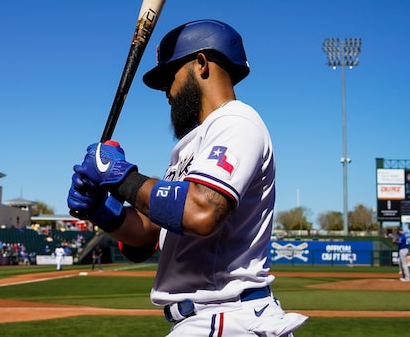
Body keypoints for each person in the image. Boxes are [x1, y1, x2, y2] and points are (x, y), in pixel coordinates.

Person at [68, 19, 307, 335]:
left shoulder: (236, 121)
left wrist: (118, 175)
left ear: (202, 64)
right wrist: (99, 210)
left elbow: (200, 211)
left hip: (226, 315)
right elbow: (147, 235)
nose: (167, 91)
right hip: (210, 318)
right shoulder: (192, 146)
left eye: (171, 77)